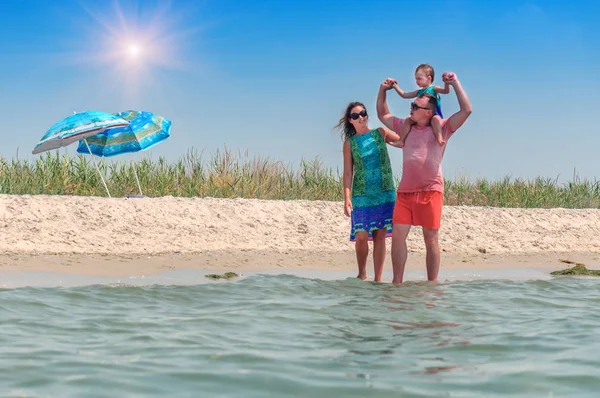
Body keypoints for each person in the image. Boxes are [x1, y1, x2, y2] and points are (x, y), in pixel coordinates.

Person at [377, 72, 472, 284]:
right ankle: (397, 283)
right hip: (405, 193)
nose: (410, 109)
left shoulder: (443, 128)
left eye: (414, 107)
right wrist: (383, 90)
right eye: (411, 106)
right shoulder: (405, 126)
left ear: (429, 112)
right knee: (399, 238)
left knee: (431, 240)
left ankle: (432, 285)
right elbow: (383, 114)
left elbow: (467, 110)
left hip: (431, 192)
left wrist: (455, 82)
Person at [336, 102, 401, 282]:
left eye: (363, 113)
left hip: (385, 191)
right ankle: (362, 273)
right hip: (361, 193)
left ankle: (378, 279)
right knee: (361, 235)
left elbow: (403, 141)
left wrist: (415, 124)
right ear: (350, 121)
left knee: (380, 236)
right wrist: (347, 198)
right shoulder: (350, 143)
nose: (361, 117)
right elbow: (348, 172)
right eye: (355, 116)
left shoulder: (380, 133)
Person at [391, 64, 450, 147]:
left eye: (419, 79)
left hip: (434, 114)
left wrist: (446, 83)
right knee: (407, 120)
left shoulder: (434, 89)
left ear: (429, 78)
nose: (417, 81)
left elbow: (446, 91)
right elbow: (404, 95)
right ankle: (401, 141)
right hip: (421, 117)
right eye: (416, 79)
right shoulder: (418, 92)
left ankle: (439, 138)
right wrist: (395, 86)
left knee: (435, 120)